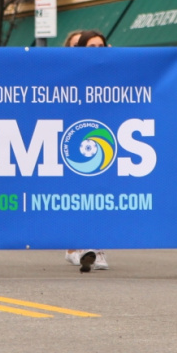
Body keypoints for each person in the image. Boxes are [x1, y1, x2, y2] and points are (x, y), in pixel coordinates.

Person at [65, 30, 110, 273]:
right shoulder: (71, 73)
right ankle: (80, 247)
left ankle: (98, 250)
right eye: (91, 47)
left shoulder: (112, 73)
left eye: (101, 47)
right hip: (75, 140)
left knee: (100, 195)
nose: (97, 51)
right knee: (79, 198)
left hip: (103, 141)